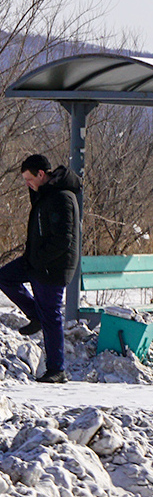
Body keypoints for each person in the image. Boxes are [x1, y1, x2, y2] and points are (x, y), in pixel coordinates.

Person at [0, 154, 80, 383]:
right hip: (36, 261)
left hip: (53, 267)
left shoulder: (62, 197)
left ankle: (57, 369)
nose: (27, 184)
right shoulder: (44, 195)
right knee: (5, 277)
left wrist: (38, 259)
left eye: (29, 179)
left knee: (52, 316)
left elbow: (63, 240)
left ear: (42, 175)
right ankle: (35, 315)